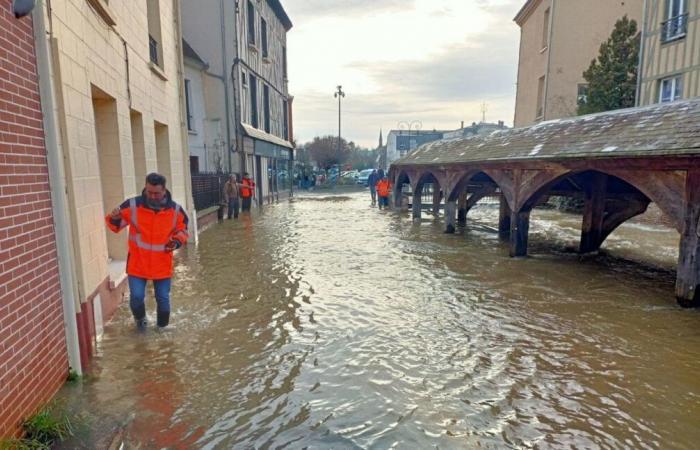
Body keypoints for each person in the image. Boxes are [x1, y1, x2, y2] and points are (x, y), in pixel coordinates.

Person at [105, 173, 189, 330]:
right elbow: (115, 226)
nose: (152, 196)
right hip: (138, 263)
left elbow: (183, 230)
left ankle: (162, 330)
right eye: (149, 192)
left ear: (164, 190)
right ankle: (141, 322)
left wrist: (176, 241)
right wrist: (114, 216)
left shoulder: (176, 210)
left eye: (156, 193)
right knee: (136, 298)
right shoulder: (132, 205)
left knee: (163, 301)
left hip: (162, 265)